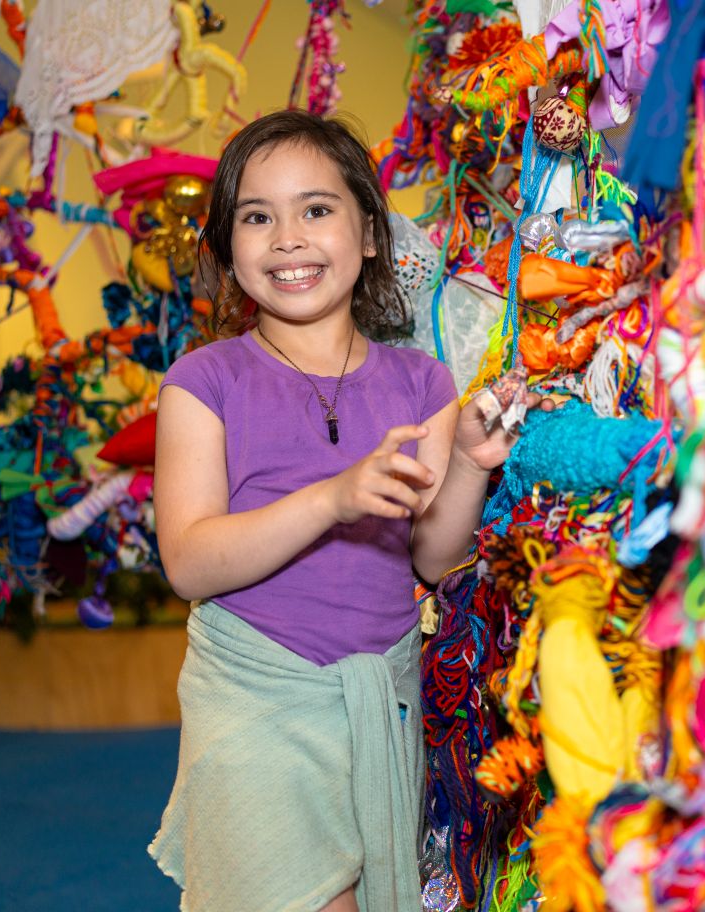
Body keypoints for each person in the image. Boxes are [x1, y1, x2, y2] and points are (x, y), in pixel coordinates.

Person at [148, 110, 544, 912]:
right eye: (257, 217)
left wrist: (467, 460)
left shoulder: (422, 384)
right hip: (255, 698)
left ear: (369, 234)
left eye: (317, 209)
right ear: (229, 248)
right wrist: (331, 498)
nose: (288, 238)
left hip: (380, 700)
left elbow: (430, 557)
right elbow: (189, 560)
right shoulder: (203, 380)